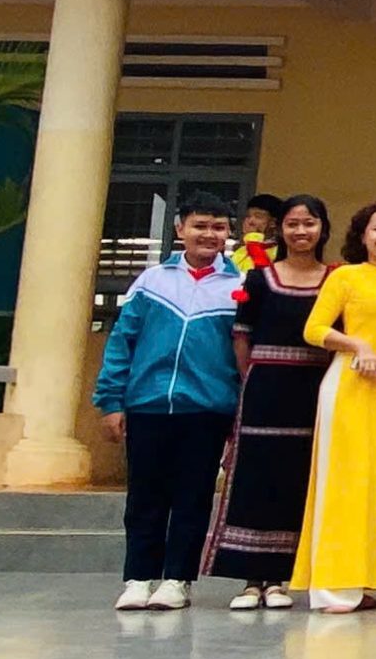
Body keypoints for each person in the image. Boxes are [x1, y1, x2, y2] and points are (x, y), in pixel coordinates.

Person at [96, 192, 243, 612]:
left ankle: (178, 579)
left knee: (193, 497)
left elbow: (243, 354)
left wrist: (238, 410)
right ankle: (138, 577)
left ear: (229, 234)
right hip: (147, 405)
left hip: (208, 409)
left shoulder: (238, 287)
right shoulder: (152, 282)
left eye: (218, 227)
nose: (209, 234)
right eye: (200, 226)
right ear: (180, 229)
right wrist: (111, 401)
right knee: (144, 496)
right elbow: (122, 342)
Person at [292, 201, 376, 613]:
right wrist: (356, 344)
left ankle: (364, 578)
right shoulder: (345, 277)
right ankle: (331, 585)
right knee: (343, 485)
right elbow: (313, 329)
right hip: (349, 388)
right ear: (363, 236)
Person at [204, 194, 333, 610]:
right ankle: (250, 579)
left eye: (309, 223)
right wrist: (252, 380)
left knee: (298, 478)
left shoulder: (336, 279)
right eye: (293, 224)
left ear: (323, 229)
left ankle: (281, 578)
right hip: (265, 388)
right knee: (256, 476)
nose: (301, 231)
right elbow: (241, 336)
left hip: (314, 390)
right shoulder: (260, 278)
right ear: (281, 229)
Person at [229, 193, 284, 275]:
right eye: (248, 216)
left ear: (273, 223)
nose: (250, 221)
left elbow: (264, 274)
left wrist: (252, 239)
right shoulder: (240, 248)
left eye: (258, 217)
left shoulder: (280, 251)